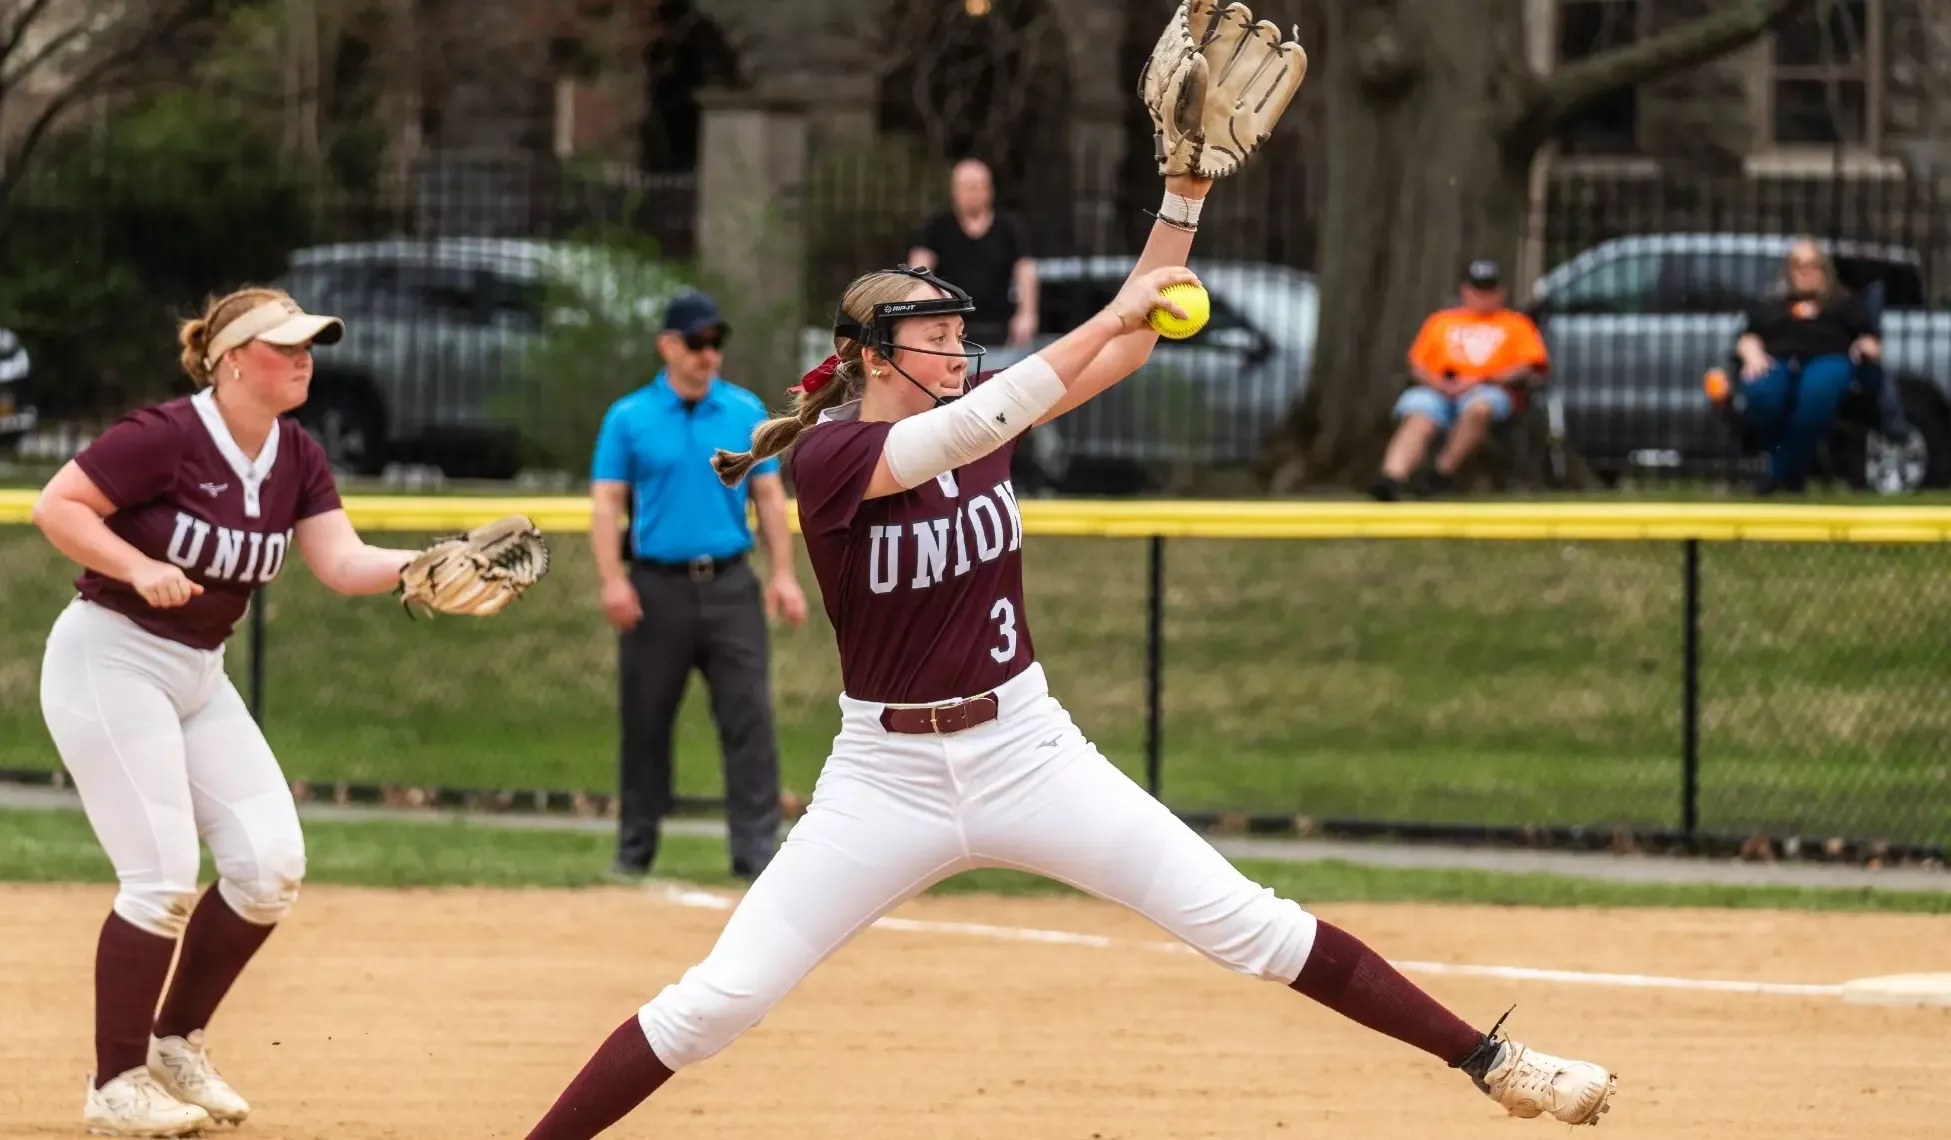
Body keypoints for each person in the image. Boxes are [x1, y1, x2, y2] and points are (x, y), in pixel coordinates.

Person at [515, 167, 1617, 1140]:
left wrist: (1181, 197)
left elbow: (1131, 337)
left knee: (1248, 924)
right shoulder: (838, 459)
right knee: (718, 1003)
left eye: (957, 333)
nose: (954, 347)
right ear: (861, 356)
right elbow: (993, 413)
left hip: (1026, 746)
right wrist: (1109, 314)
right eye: (929, 336)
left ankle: (1493, 1063)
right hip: (883, 775)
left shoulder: (972, 415)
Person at [30, 287, 427, 1135]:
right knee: (162, 877)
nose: (304, 358)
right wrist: (136, 567)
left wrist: (426, 565)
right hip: (111, 656)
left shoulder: (297, 454)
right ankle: (114, 1085)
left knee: (268, 863)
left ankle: (175, 1041)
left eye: (310, 345)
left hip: (197, 673)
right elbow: (56, 506)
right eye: (285, 346)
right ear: (232, 359)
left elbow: (341, 560)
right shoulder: (165, 436)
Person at [589, 290, 807, 882]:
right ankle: (634, 850)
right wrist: (613, 580)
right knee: (646, 720)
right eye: (697, 343)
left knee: (749, 719)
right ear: (668, 346)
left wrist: (783, 575)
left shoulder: (742, 411)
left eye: (716, 344)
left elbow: (768, 497)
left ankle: (756, 851)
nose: (709, 355)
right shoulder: (629, 418)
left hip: (731, 583)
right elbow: (607, 503)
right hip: (656, 587)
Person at [1704, 237, 1884, 494]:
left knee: (1816, 393)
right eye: (1798, 264)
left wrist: (1865, 347)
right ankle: (1791, 471)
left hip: (1829, 359)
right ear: (1788, 269)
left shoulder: (1844, 305)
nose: (1805, 271)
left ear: (1825, 270)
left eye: (1813, 264)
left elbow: (1869, 339)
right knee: (1762, 390)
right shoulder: (1770, 305)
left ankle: (1775, 473)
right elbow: (1748, 335)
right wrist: (1751, 351)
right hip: (1776, 359)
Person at [1371, 260, 1550, 500]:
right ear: (1464, 291)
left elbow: (1527, 366)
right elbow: (1417, 364)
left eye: (1490, 290)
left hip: (1489, 389)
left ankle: (1440, 473)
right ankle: (1391, 478)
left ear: (1501, 292)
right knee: (1419, 414)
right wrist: (1440, 385)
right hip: (1439, 388)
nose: (1483, 296)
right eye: (1477, 289)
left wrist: (1480, 379)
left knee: (1479, 408)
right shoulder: (1441, 322)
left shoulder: (1517, 325)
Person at [907, 158, 1038, 348]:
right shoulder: (937, 225)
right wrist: (924, 311)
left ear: (989, 190)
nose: (972, 193)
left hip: (999, 327)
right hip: (950, 325)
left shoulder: (1008, 226)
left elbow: (1025, 270)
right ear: (954, 191)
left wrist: (1027, 314)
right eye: (966, 187)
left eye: (977, 186)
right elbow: (919, 269)